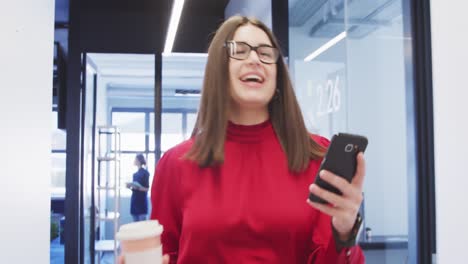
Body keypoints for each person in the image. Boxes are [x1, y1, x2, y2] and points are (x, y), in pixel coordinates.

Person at [120, 15, 366, 264]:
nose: (254, 59)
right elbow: (164, 255)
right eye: (240, 51)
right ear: (219, 69)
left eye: (265, 53)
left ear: (277, 74)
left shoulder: (315, 154)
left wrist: (345, 232)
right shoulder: (176, 163)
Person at [126, 153, 150, 222]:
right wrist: (130, 186)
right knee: (135, 227)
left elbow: (147, 189)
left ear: (139, 161)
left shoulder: (145, 173)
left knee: (142, 228)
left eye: (135, 159)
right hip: (134, 202)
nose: (134, 161)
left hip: (141, 203)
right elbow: (134, 188)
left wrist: (138, 188)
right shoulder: (135, 174)